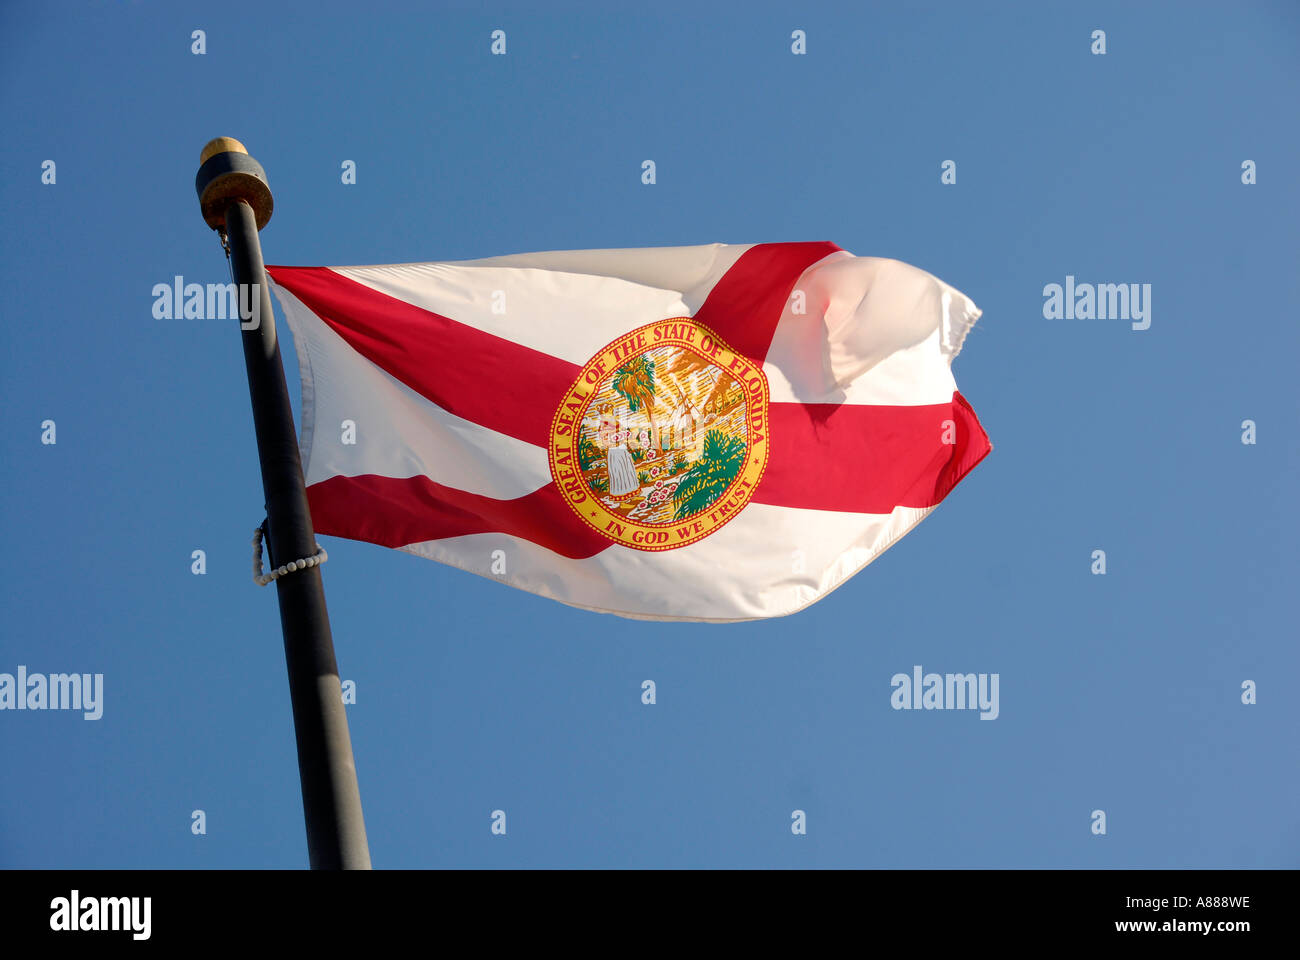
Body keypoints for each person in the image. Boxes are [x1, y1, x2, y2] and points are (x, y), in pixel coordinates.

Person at [598, 404, 639, 498]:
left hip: (623, 449)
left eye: (610, 414)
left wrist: (628, 435)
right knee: (618, 473)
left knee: (627, 470)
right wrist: (614, 443)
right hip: (614, 452)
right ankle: (621, 497)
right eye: (606, 415)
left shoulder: (617, 423)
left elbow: (624, 433)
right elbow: (605, 442)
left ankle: (632, 492)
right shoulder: (603, 427)